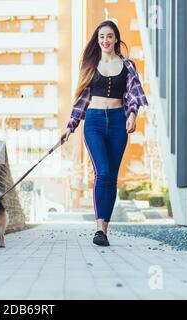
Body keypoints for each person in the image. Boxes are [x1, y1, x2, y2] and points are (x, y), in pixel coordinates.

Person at [61, 20, 149, 246]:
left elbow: (133, 95)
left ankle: (105, 230)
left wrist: (132, 115)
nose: (105, 40)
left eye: (109, 36)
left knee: (112, 177)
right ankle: (99, 229)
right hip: (94, 122)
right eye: (101, 37)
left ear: (116, 38)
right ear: (97, 40)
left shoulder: (128, 65)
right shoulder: (90, 64)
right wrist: (70, 126)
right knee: (103, 171)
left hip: (118, 122)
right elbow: (82, 99)